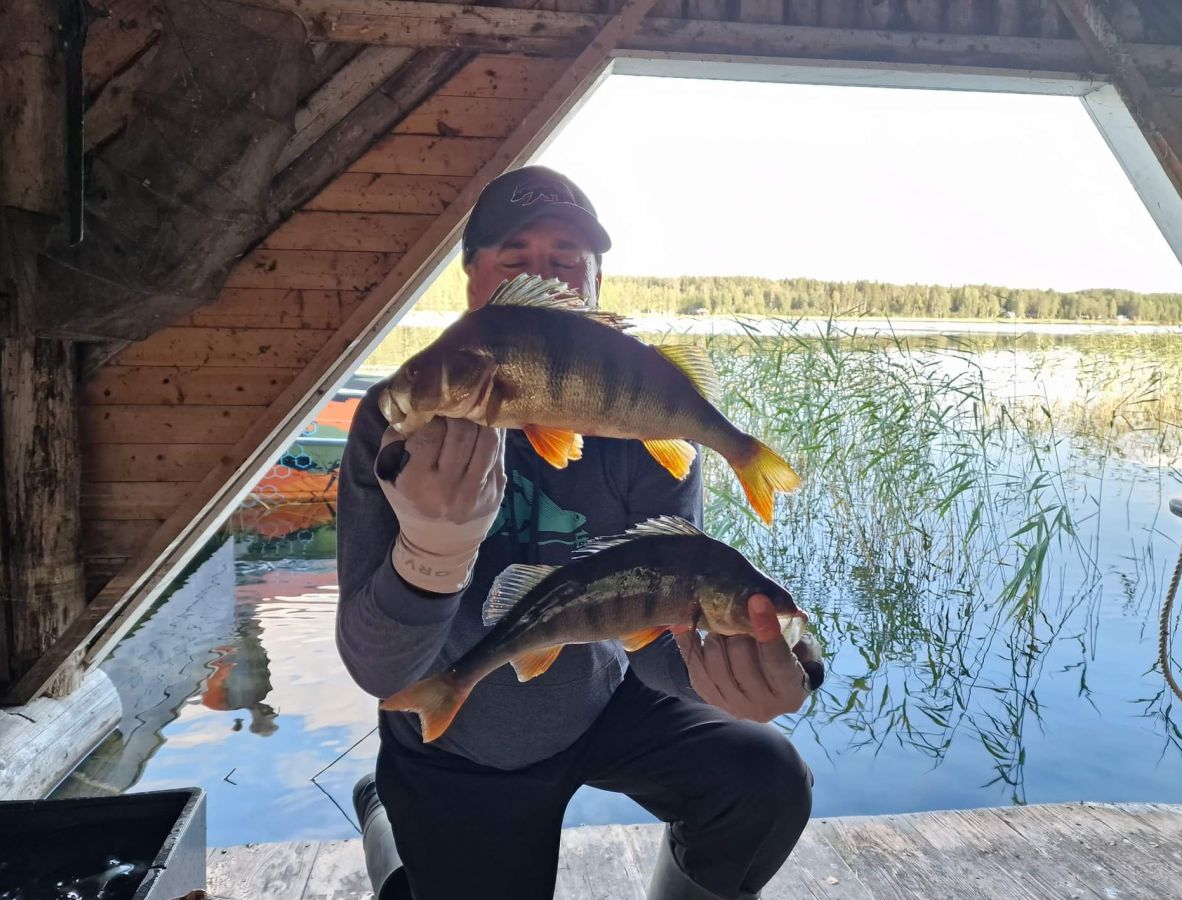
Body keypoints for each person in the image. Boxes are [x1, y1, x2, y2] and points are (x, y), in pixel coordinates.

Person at [337, 166, 821, 900]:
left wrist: (720, 666)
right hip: (463, 738)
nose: (546, 274)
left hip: (602, 699)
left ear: (595, 280)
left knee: (767, 780)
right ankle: (390, 825)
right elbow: (379, 670)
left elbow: (658, 641)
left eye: (567, 260)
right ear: (474, 283)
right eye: (515, 257)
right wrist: (428, 555)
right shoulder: (394, 420)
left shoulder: (649, 427)